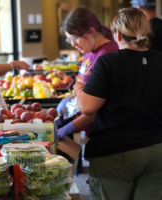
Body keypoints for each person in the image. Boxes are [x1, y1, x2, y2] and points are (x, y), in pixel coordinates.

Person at [74, 8, 162, 199]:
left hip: (116, 152)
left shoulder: (109, 63)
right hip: (156, 149)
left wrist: (79, 88)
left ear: (118, 34)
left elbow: (87, 107)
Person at [57, 7, 118, 140]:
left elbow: (96, 107)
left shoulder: (108, 55)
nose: (73, 44)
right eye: (69, 40)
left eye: (75, 38)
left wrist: (68, 127)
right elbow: (83, 83)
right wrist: (71, 99)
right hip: (90, 132)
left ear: (91, 31)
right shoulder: (89, 51)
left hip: (105, 134)